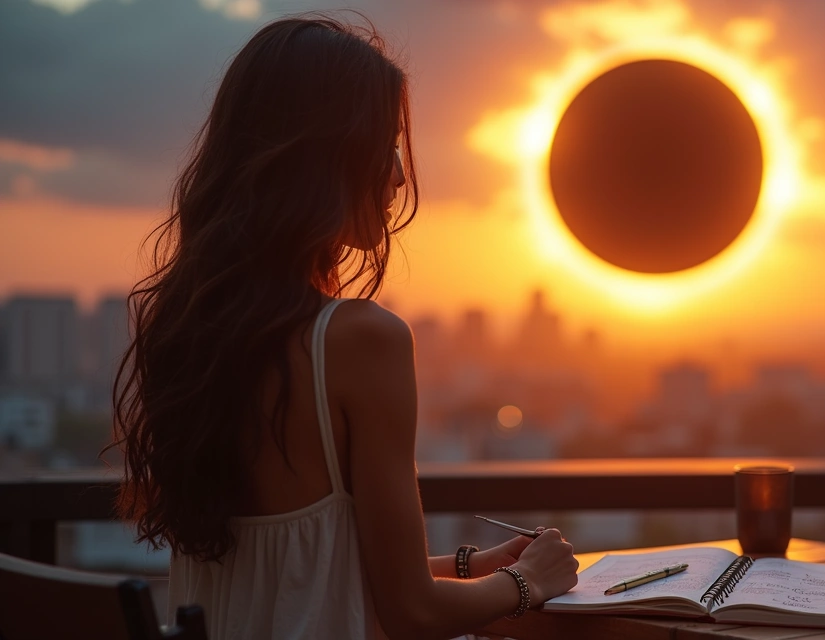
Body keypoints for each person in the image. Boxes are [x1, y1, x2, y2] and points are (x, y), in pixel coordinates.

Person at [109, 14, 578, 640]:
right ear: (324, 159)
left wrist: (475, 566)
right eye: (384, 146)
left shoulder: (186, 332)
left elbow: (298, 577)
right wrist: (531, 581)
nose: (399, 176)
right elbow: (411, 614)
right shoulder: (358, 341)